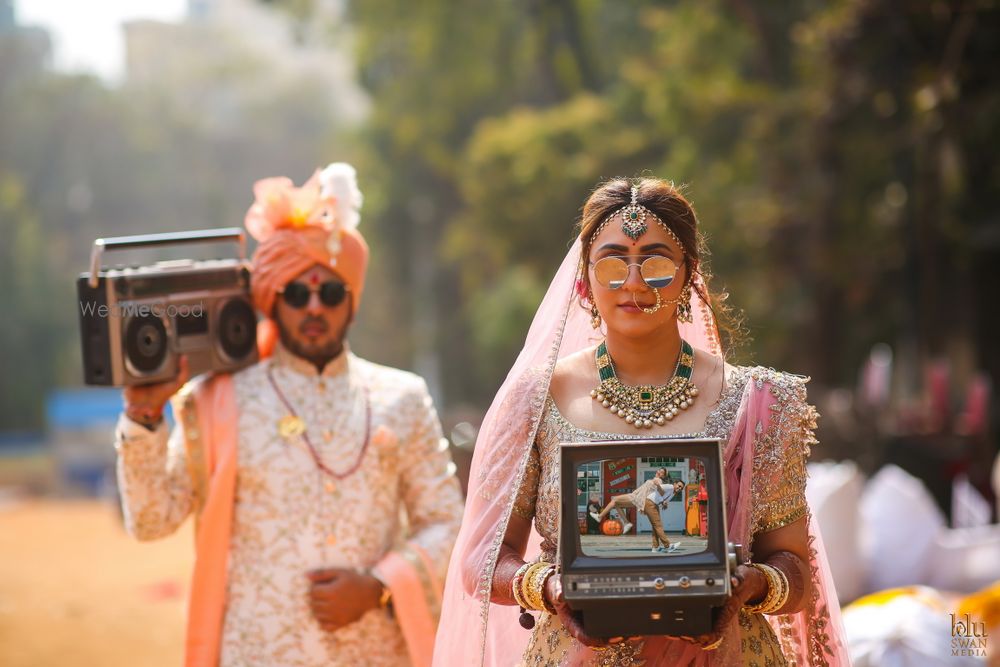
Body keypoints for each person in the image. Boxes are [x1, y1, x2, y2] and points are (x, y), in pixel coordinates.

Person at [434, 177, 850, 665]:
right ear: (583, 281)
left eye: (654, 262)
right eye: (612, 263)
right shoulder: (534, 401)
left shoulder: (758, 403)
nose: (633, 283)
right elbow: (483, 560)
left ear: (688, 273)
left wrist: (747, 584)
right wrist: (551, 589)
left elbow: (796, 569)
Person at [115, 163, 464, 667]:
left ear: (353, 302)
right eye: (298, 292)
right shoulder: (218, 398)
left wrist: (377, 587)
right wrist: (144, 415)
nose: (315, 307)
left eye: (332, 292)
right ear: (272, 300)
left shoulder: (402, 396)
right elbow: (150, 521)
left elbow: (446, 522)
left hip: (374, 654)